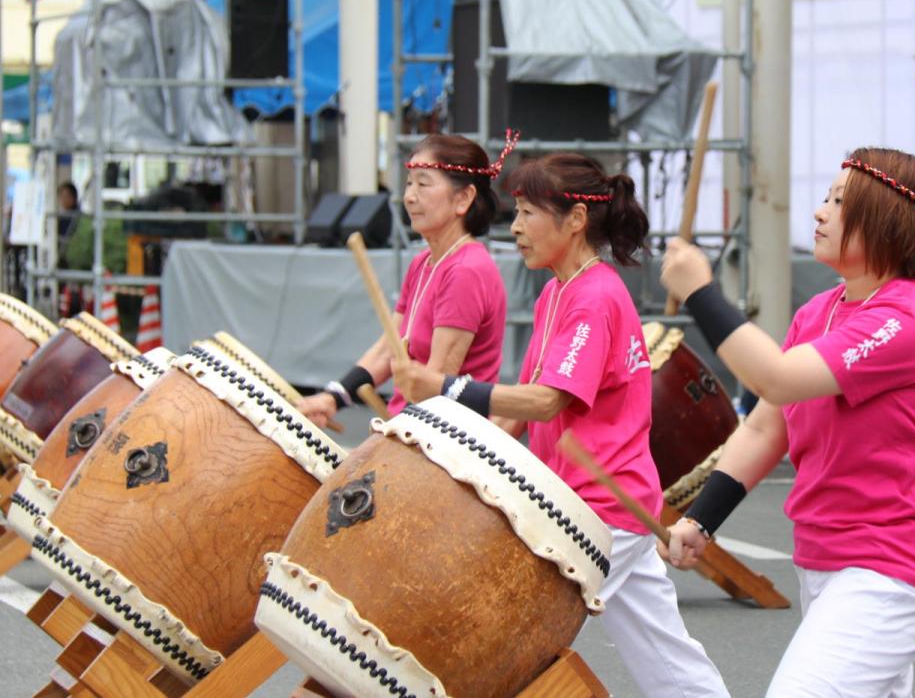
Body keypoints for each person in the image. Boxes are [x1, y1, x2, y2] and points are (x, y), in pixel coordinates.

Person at [392, 152, 731, 698]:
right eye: (516, 213)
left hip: (597, 512)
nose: (516, 227)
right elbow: (518, 408)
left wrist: (446, 388)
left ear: (575, 219)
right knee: (666, 656)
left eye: (529, 213)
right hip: (590, 502)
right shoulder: (557, 292)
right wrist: (450, 459)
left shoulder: (595, 297)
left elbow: (547, 401)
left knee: (504, 641)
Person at [659, 147, 915, 697]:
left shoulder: (903, 320)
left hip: (890, 568)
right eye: (826, 198)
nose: (820, 212)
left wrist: (701, 292)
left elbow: (774, 378)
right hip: (827, 559)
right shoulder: (820, 312)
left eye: (839, 202)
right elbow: (766, 427)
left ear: (883, 221)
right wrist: (701, 520)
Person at [295, 133, 509, 428]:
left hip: (445, 434)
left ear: (463, 198)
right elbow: (389, 349)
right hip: (414, 424)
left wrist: (392, 434)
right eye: (409, 183)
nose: (409, 196)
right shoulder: (423, 262)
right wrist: (333, 397)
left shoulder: (466, 270)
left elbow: (435, 383)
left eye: (423, 184)